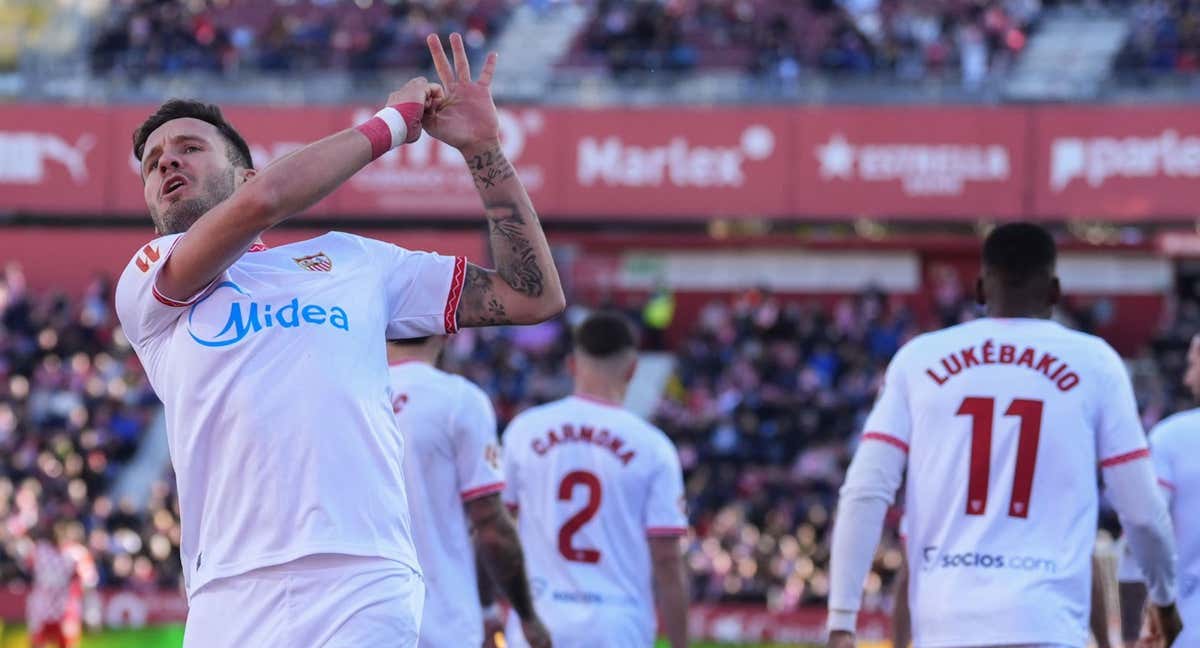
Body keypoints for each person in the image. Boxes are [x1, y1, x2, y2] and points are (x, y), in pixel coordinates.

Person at [114, 32, 565, 646]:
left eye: (190, 147)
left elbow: (530, 295)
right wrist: (391, 125)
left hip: (364, 579)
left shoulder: (353, 262)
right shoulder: (149, 280)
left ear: (244, 173)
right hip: (227, 590)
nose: (167, 160)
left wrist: (485, 152)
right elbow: (264, 203)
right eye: (153, 161)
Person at [827, 222, 1180, 648]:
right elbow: (1141, 511)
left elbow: (865, 491)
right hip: (1045, 625)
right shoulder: (1096, 364)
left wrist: (842, 618)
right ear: (1054, 292)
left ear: (979, 289)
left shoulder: (917, 361)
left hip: (945, 624)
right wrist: (1163, 597)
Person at [500, 311, 689, 648]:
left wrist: (492, 608)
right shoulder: (653, 446)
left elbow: (498, 529)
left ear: (572, 364)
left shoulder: (524, 430)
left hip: (540, 619)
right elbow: (666, 558)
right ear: (632, 369)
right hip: (617, 624)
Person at [386, 336, 551, 648]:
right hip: (442, 621)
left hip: (358, 618)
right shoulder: (458, 400)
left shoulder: (345, 396)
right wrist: (523, 615)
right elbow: (490, 527)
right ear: (447, 330)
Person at [1118, 334, 1200, 646]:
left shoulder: (1174, 437)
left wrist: (1128, 634)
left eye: (1193, 365)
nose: (1187, 378)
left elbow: (1144, 528)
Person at [25, 523, 96, 648]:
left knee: (66, 642)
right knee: (37, 643)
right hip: (41, 608)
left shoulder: (77, 554)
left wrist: (91, 613)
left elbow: (89, 584)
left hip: (66, 609)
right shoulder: (40, 550)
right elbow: (26, 568)